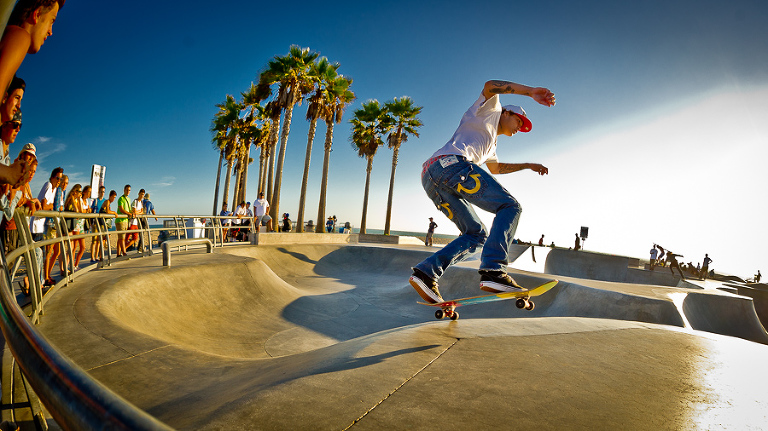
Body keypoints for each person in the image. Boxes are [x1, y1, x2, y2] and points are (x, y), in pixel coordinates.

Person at [409, 79, 555, 303]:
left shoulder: (491, 145)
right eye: (519, 121)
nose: (519, 128)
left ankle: (426, 273)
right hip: (452, 164)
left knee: (476, 234)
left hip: (431, 176)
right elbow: (490, 85)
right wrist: (530, 92)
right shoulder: (490, 110)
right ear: (506, 113)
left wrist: (528, 165)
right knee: (510, 206)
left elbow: (496, 168)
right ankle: (493, 271)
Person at [30, 166, 62, 286]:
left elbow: (48, 206)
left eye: (61, 179)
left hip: (40, 226)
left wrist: (50, 205)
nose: (59, 181)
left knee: (39, 256)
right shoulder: (48, 185)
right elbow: (44, 206)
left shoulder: (54, 189)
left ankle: (35, 282)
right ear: (52, 177)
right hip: (35, 226)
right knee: (39, 256)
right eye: (57, 178)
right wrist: (51, 206)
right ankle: (35, 283)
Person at [64, 183, 85, 268]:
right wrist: (78, 200)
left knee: (72, 247)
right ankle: (67, 266)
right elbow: (76, 210)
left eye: (81, 192)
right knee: (71, 247)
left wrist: (80, 200)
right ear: (75, 191)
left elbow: (80, 211)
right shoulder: (72, 198)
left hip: (73, 223)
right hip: (69, 223)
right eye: (79, 191)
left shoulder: (77, 199)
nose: (80, 193)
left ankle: (70, 265)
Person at [89, 185, 106, 262]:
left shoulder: (105, 201)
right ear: (99, 192)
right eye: (101, 192)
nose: (102, 193)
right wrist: (91, 222)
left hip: (101, 223)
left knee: (99, 241)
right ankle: (92, 257)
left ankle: (96, 256)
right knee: (94, 241)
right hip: (95, 223)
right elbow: (91, 211)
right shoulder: (95, 201)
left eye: (103, 192)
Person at [115, 184, 132, 257]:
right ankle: (124, 252)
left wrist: (132, 213)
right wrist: (129, 213)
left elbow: (129, 209)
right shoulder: (121, 198)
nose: (128, 191)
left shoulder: (129, 199)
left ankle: (118, 253)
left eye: (129, 190)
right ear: (124, 190)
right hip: (120, 221)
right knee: (121, 238)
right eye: (127, 190)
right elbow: (121, 209)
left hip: (126, 220)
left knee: (121, 238)